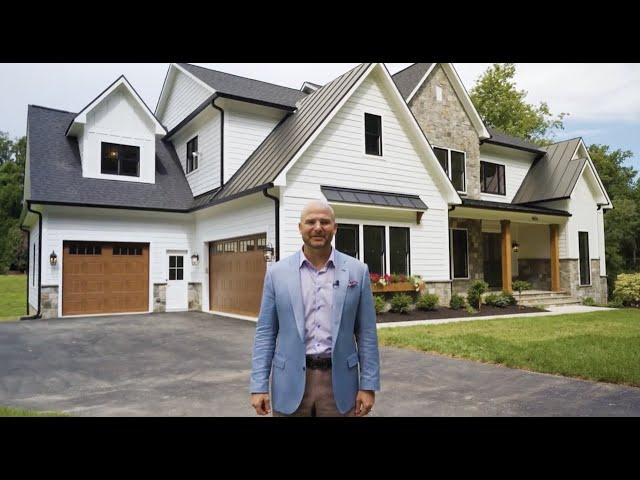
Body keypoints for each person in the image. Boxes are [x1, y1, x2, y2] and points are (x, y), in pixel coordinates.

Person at [250, 200, 380, 416]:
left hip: (340, 385)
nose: (318, 227)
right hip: (289, 382)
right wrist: (258, 385)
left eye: (325, 222)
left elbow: (366, 333)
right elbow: (265, 333)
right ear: (300, 228)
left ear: (335, 228)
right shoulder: (277, 273)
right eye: (311, 222)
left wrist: (368, 385)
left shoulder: (357, 271)